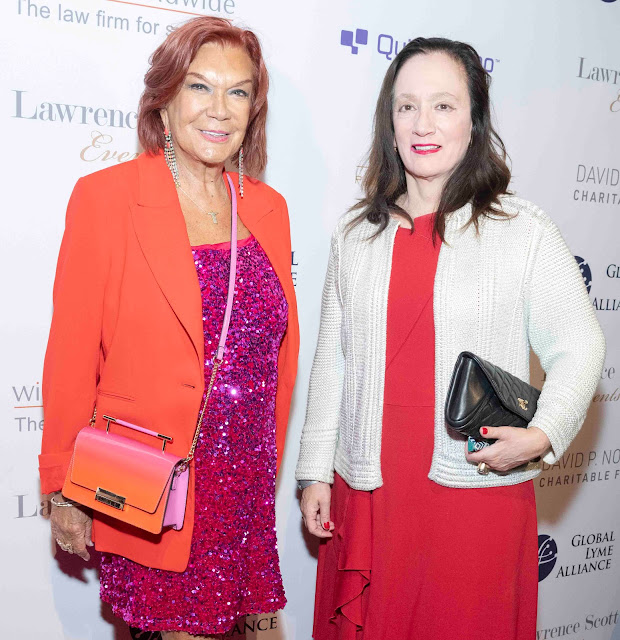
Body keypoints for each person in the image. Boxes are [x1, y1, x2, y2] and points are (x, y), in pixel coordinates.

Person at [296, 37, 605, 640]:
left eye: (443, 105)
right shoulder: (355, 235)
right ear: (389, 123)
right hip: (370, 490)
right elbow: (332, 362)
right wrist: (314, 472)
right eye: (407, 106)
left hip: (474, 491)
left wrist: (542, 435)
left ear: (474, 120)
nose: (423, 124)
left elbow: (580, 344)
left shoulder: (521, 231)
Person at [39, 17, 299, 639]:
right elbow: (71, 354)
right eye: (199, 86)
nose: (219, 109)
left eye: (238, 92)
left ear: (254, 110)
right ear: (164, 100)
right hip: (154, 487)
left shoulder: (268, 207)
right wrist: (64, 486)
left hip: (244, 487)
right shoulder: (107, 198)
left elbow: (276, 353)